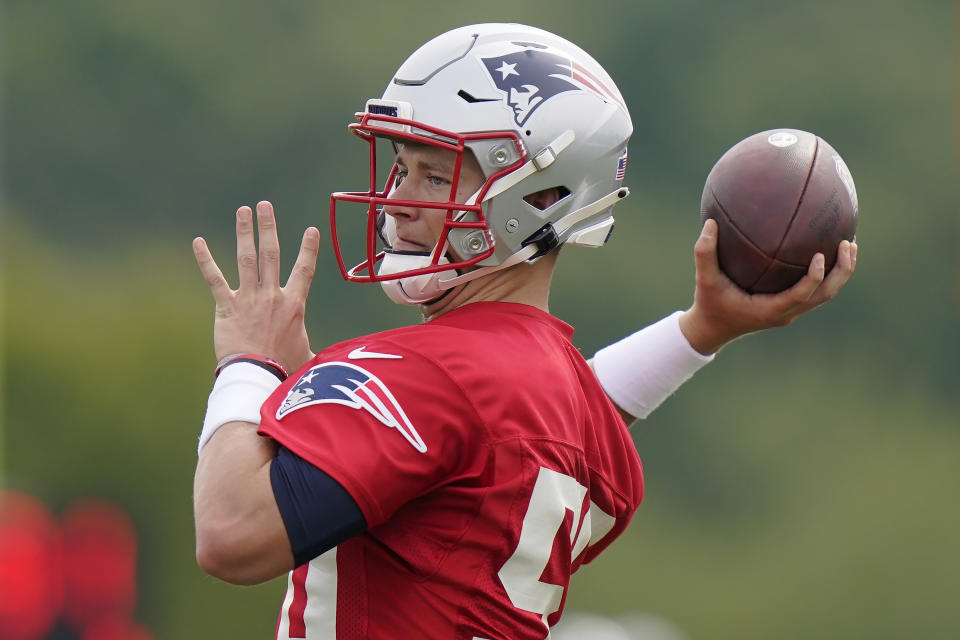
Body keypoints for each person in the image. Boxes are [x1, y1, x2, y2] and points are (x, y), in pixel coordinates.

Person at [191, 23, 856, 640]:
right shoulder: (575, 422)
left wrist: (247, 366)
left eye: (433, 175)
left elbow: (230, 533)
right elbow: (544, 413)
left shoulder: (422, 370)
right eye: (401, 165)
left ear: (537, 199)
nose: (397, 199)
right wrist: (702, 329)